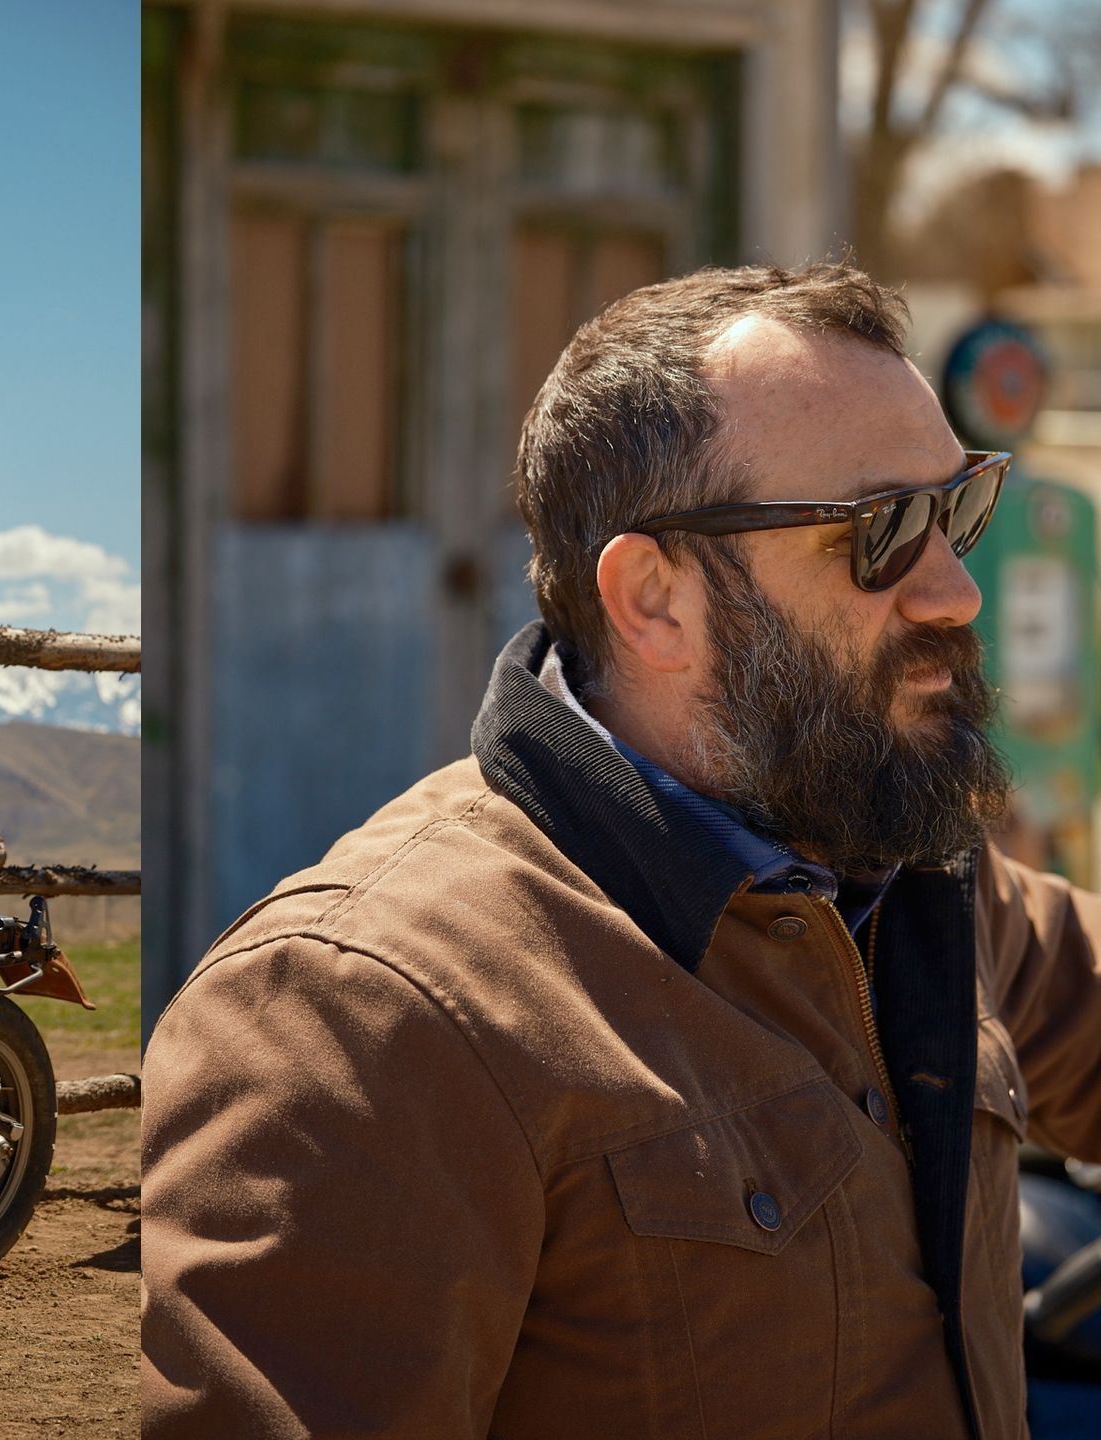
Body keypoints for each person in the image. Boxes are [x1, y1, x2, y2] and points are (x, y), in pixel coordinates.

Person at [140, 262, 1101, 1439]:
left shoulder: (914, 878)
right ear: (655, 600)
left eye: (958, 509)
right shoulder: (361, 1015)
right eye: (883, 531)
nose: (955, 593)